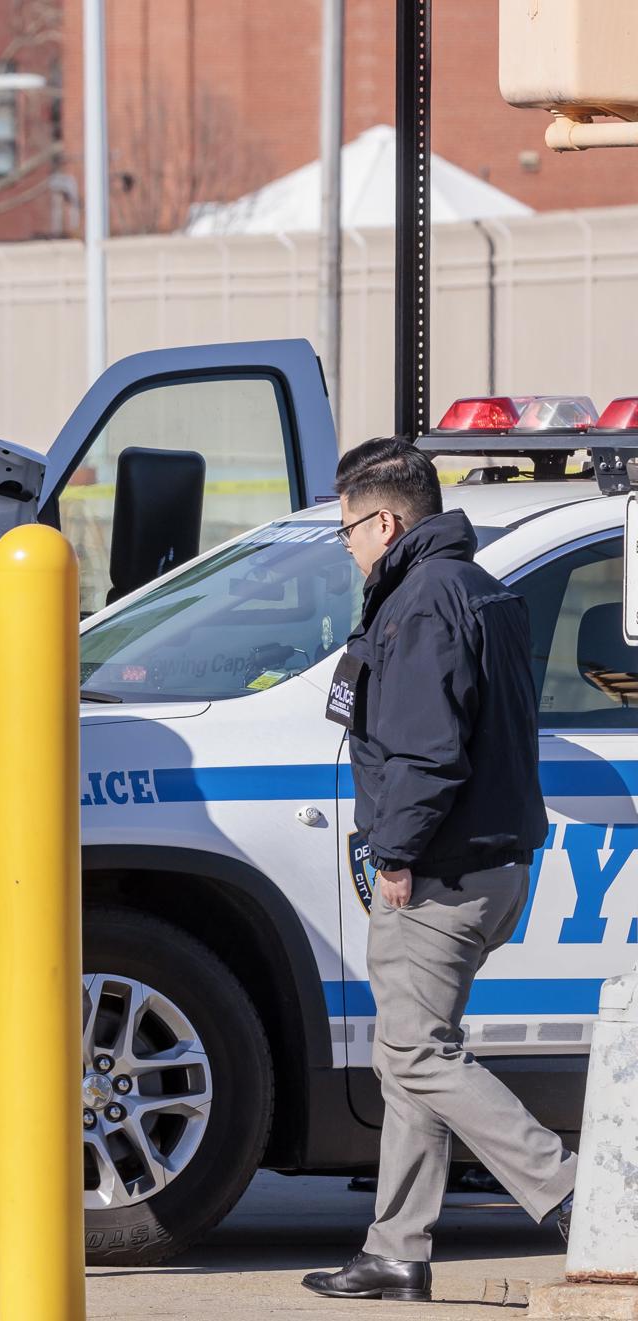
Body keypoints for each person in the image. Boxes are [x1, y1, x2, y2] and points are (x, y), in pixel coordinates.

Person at [304, 439, 574, 1304]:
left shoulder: (419, 603)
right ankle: (396, 1247)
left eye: (348, 528)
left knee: (416, 1052)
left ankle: (572, 1190)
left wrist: (396, 854)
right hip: (491, 866)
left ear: (384, 521)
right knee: (408, 1055)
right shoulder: (479, 587)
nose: (346, 545)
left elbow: (427, 751)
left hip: (440, 873)